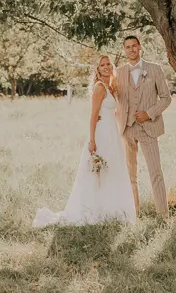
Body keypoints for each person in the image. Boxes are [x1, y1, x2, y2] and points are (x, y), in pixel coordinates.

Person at [33, 55, 136, 227]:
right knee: (98, 171)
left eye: (108, 64)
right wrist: (92, 140)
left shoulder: (111, 87)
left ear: (112, 67)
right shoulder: (100, 88)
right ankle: (93, 210)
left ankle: (111, 209)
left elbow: (115, 112)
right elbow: (94, 115)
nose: (105, 67)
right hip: (102, 134)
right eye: (102, 65)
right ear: (97, 69)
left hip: (113, 134)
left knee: (112, 170)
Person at [114, 35, 172, 218]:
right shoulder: (120, 72)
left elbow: (166, 98)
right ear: (124, 50)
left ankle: (163, 214)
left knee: (155, 172)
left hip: (149, 128)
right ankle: (134, 213)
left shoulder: (155, 69)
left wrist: (149, 113)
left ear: (140, 47)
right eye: (127, 47)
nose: (131, 50)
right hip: (127, 128)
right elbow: (114, 97)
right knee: (130, 175)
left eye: (134, 46)